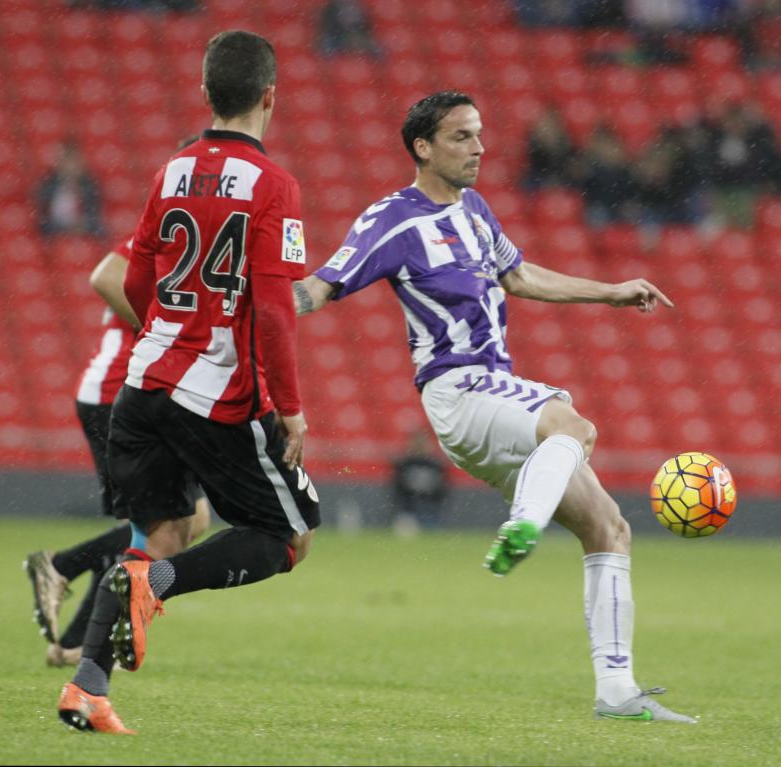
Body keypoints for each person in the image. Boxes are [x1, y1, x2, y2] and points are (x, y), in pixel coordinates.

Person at [292, 91, 696, 723]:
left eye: (479, 135)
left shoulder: (475, 210)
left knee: (609, 527)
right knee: (574, 423)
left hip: (492, 396)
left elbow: (519, 275)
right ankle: (522, 524)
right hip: (456, 389)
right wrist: (253, 304)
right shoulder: (392, 221)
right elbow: (320, 286)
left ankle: (617, 690)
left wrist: (612, 293)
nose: (479, 148)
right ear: (423, 147)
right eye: (461, 137)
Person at [56, 30, 319, 735]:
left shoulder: (171, 171)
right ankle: (155, 586)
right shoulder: (275, 186)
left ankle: (87, 686)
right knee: (286, 538)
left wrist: (172, 335)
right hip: (216, 392)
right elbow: (272, 305)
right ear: (271, 95)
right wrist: (290, 408)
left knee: (160, 530)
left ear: (206, 93)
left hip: (141, 388)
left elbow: (137, 279)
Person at [25, 231, 211, 668]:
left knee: (159, 527)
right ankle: (61, 566)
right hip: (119, 393)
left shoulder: (194, 233)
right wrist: (167, 335)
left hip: (133, 394)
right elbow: (106, 276)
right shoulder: (178, 231)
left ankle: (70, 641)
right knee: (170, 524)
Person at [35, 140, 105, 238]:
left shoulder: (89, 185)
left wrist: (82, 223)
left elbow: (93, 210)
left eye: (74, 162)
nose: (71, 167)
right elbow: (44, 209)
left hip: (84, 225)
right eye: (67, 162)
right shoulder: (49, 183)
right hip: (55, 226)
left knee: (100, 229)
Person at [390, 429, 450, 533]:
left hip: (429, 508)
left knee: (430, 535)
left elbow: (443, 488)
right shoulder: (405, 463)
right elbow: (397, 487)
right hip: (408, 508)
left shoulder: (435, 464)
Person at [317, 0, 383, 58]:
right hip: (337, 38)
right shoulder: (330, 8)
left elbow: (366, 26)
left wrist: (357, 35)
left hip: (357, 36)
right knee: (326, 46)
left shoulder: (359, 8)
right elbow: (327, 26)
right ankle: (329, 69)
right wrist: (345, 34)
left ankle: (378, 70)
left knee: (377, 49)